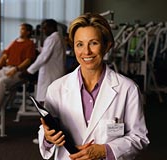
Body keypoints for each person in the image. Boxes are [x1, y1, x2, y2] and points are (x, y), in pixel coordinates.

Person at [37, 13, 150, 160]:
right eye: (80, 44)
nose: (86, 52)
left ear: (107, 45)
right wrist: (48, 137)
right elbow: (45, 131)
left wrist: (105, 150)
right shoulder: (56, 89)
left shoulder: (128, 89)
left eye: (93, 43)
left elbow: (139, 137)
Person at [27, 19, 66, 105]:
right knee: (51, 100)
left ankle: (46, 117)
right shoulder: (58, 37)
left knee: (46, 100)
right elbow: (48, 52)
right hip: (54, 72)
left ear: (51, 27)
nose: (43, 31)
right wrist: (40, 49)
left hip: (50, 74)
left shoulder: (52, 39)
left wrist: (29, 70)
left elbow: (44, 57)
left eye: (45, 28)